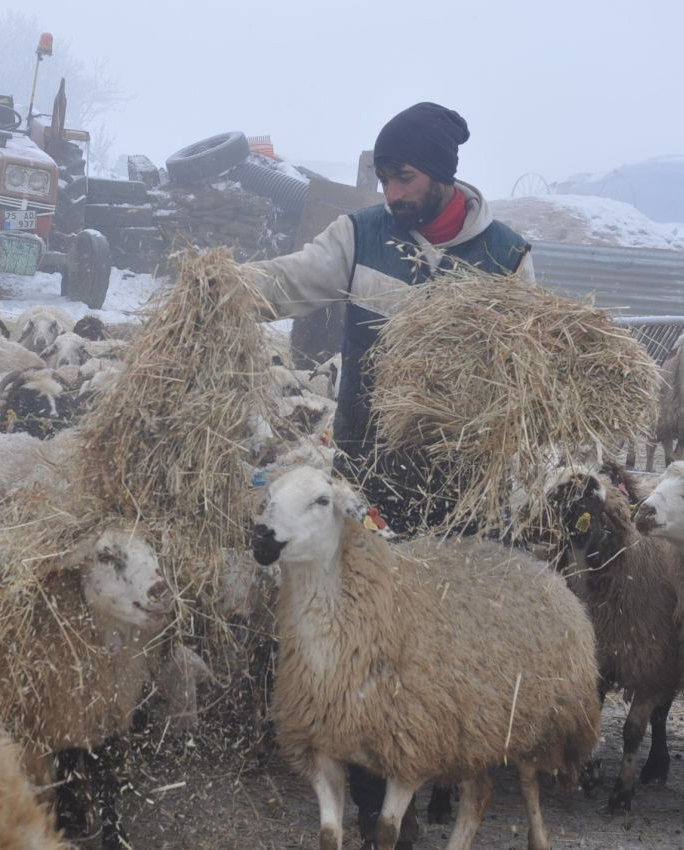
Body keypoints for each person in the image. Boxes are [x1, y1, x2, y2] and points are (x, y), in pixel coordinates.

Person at [249, 101, 535, 849]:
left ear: (442, 175)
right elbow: (291, 282)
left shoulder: (507, 258)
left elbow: (532, 369)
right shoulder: (361, 235)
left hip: (460, 477)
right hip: (368, 471)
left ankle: (440, 770)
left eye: (403, 177)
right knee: (365, 625)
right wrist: (221, 288)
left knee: (443, 630)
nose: (391, 194)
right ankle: (378, 793)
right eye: (382, 178)